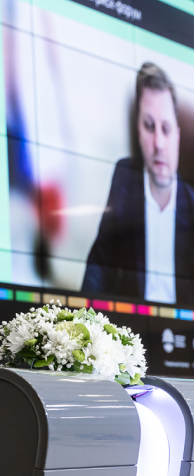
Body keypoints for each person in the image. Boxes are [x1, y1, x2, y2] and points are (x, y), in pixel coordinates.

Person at [82, 62, 194, 305]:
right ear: (138, 132)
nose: (159, 144)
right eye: (149, 126)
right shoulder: (125, 178)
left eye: (166, 129)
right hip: (135, 322)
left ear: (177, 135)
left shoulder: (192, 202)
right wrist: (83, 318)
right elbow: (101, 258)